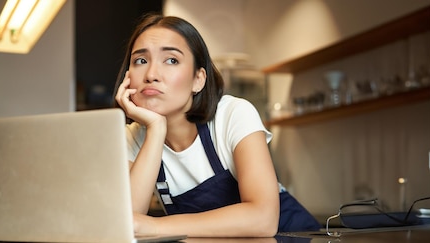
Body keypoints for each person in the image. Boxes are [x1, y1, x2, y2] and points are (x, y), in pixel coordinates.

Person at [113, 13, 320, 237]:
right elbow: (127, 223)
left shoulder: (233, 114)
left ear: (198, 79)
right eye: (140, 61)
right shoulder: (132, 137)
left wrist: (156, 226)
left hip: (290, 236)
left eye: (171, 60)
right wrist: (155, 129)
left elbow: (263, 219)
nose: (151, 74)